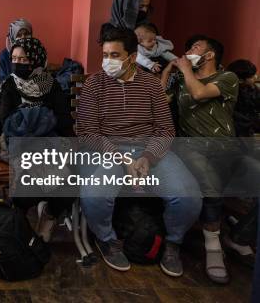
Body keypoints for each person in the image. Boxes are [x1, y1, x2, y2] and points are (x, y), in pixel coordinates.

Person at [77, 27, 201, 277]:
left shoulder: (152, 86)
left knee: (189, 197)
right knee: (94, 195)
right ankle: (108, 240)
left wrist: (147, 157)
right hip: (108, 151)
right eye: (105, 54)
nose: (107, 61)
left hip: (149, 151)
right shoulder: (94, 85)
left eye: (114, 55)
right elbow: (87, 132)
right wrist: (122, 158)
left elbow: (166, 130)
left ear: (132, 57)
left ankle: (173, 243)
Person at [164, 36, 260, 284]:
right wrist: (168, 69)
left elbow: (199, 93)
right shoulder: (182, 80)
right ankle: (213, 247)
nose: (188, 52)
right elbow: (160, 99)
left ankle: (238, 237)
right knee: (211, 186)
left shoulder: (226, 78)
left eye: (195, 48)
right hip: (191, 147)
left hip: (227, 149)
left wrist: (185, 69)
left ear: (210, 55)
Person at [0, 37, 74, 242]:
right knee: (26, 185)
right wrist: (41, 118)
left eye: (23, 59)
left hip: (51, 141)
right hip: (21, 143)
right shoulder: (10, 85)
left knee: (71, 178)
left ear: (36, 59)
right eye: (14, 58)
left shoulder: (50, 84)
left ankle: (49, 215)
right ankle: (20, 225)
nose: (17, 63)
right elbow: (7, 123)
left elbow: (62, 118)